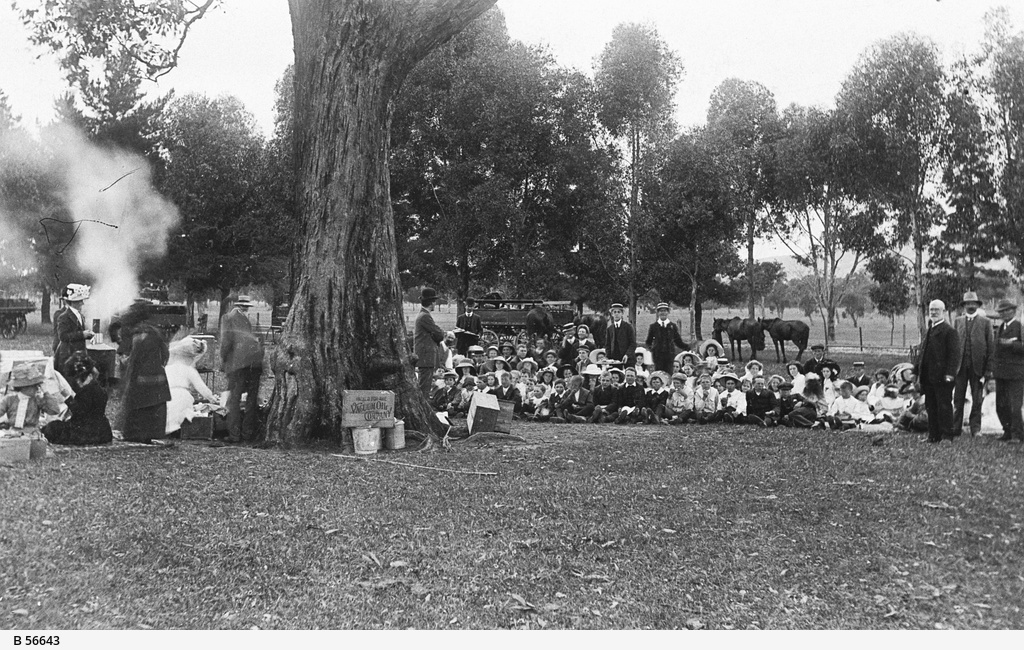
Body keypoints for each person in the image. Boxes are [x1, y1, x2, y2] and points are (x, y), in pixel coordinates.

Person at [119, 303, 172, 444]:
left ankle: (136, 435)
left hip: (142, 377)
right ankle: (155, 434)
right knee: (155, 407)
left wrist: (125, 363)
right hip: (158, 375)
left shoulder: (139, 334)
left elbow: (134, 359)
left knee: (139, 406)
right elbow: (165, 354)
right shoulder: (155, 331)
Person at [40, 352, 113, 446]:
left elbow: (79, 411)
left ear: (90, 376)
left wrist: (67, 397)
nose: (78, 382)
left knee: (54, 428)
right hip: (102, 430)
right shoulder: (99, 389)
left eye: (81, 379)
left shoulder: (88, 390)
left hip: (86, 432)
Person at [915, 299, 962, 443]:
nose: (933, 312)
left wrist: (949, 374)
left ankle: (947, 436)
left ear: (944, 312)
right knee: (931, 407)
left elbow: (954, 355)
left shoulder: (949, 331)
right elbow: (924, 353)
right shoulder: (930, 329)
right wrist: (917, 371)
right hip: (929, 377)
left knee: (944, 406)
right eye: (931, 309)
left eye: (937, 310)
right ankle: (933, 435)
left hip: (943, 377)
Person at [220, 294, 264, 443]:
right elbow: (261, 341)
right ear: (247, 307)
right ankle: (247, 433)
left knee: (235, 399)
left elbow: (226, 342)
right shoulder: (253, 319)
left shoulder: (228, 318)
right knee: (251, 399)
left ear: (235, 304)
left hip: (237, 363)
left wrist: (223, 360)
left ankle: (234, 434)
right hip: (255, 363)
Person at [953, 291, 995, 437]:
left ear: (977, 305)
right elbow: (953, 345)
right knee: (958, 398)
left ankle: (975, 428)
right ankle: (955, 428)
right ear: (964, 306)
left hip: (978, 367)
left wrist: (988, 369)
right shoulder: (958, 321)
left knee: (977, 399)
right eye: (968, 304)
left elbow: (991, 347)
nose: (970, 306)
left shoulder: (985, 322)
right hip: (960, 366)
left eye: (973, 304)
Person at [165, 337, 217, 437]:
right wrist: (212, 398)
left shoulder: (168, 368)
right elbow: (202, 388)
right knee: (187, 404)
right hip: (181, 397)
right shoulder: (189, 369)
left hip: (167, 396)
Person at [992, 298, 1024, 442]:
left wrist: (1012, 344)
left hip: (1016, 373)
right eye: (1001, 311)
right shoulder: (1000, 328)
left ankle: (1017, 434)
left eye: (1007, 310)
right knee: (1001, 404)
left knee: (1014, 405)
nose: (1004, 313)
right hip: (1001, 373)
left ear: (1013, 311)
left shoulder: (1020, 327)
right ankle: (1007, 431)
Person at [0, 364, 62, 438]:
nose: (37, 388)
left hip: (32, 434)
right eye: (35, 386)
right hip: (13, 434)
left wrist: (46, 392)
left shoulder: (37, 400)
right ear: (24, 387)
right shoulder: (9, 399)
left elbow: (54, 410)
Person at [54, 283, 95, 375]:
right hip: (69, 354)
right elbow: (63, 336)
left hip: (78, 354)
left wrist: (87, 335)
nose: (82, 303)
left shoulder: (80, 316)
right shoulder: (63, 317)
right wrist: (82, 334)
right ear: (73, 302)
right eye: (80, 301)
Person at [414, 287, 445, 399]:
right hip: (426, 357)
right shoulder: (425, 316)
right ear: (431, 303)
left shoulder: (423, 315)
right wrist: (438, 333)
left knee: (425, 386)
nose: (435, 304)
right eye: (434, 302)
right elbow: (439, 334)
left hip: (425, 357)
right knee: (424, 388)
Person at [645, 303, 688, 373]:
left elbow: (678, 341)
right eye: (661, 311)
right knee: (659, 374)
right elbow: (648, 341)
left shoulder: (672, 326)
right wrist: (652, 350)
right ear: (658, 312)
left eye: (665, 311)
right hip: (658, 357)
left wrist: (687, 348)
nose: (663, 313)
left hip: (669, 356)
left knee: (669, 374)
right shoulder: (653, 326)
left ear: (668, 312)